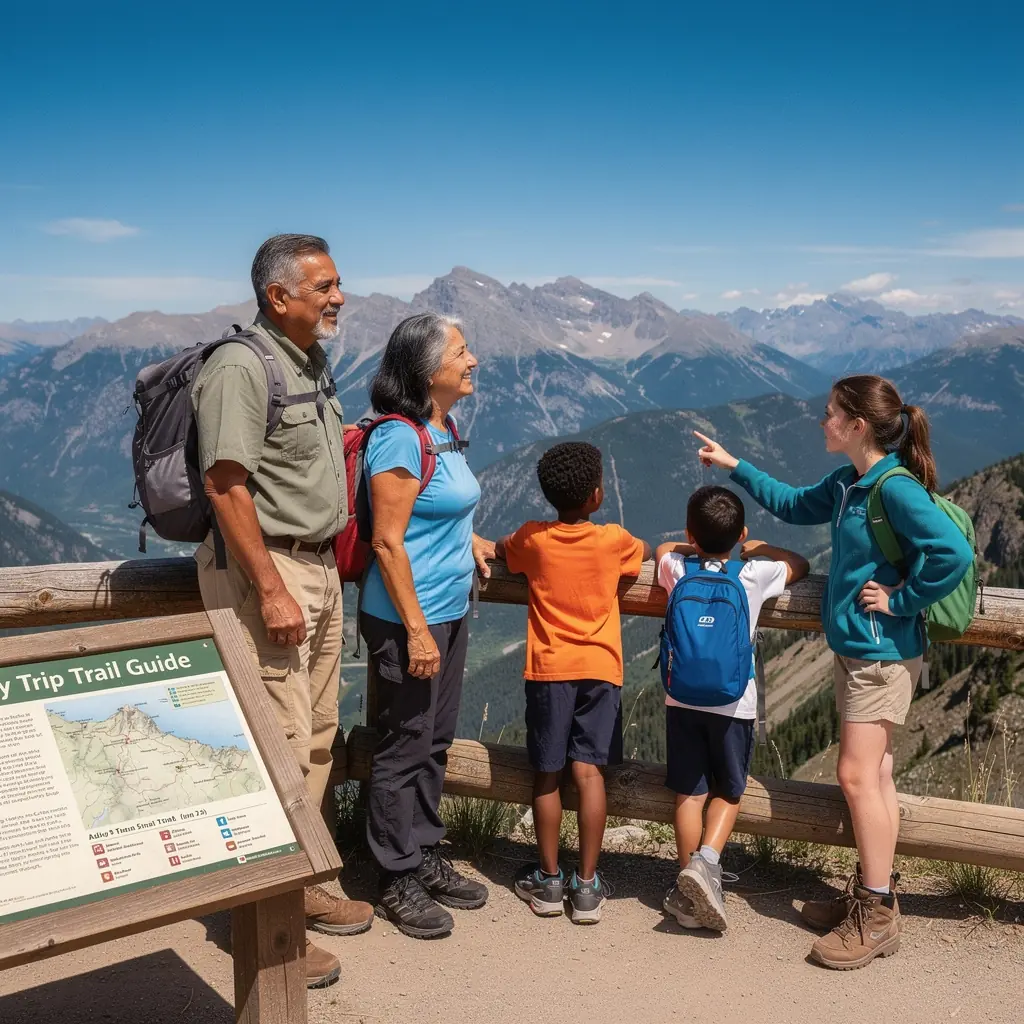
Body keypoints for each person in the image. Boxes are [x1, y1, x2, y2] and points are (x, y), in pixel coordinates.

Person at [695, 373, 973, 969]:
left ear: (857, 427)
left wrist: (901, 600)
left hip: (882, 653)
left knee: (854, 775)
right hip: (858, 648)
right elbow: (794, 503)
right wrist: (734, 464)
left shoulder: (893, 489)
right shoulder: (851, 482)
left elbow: (954, 552)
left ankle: (874, 914)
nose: (821, 422)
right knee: (878, 773)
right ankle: (876, 890)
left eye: (829, 414)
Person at [192, 234, 374, 988]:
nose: (338, 297)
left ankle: (296, 885)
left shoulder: (309, 361)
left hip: (316, 568)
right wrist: (267, 586)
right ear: (279, 297)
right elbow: (226, 484)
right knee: (280, 746)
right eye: (325, 286)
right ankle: (261, 925)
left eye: (337, 284)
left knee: (319, 738)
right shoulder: (241, 367)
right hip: (270, 571)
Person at [360, 312, 495, 939]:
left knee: (434, 740)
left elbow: (433, 513)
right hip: (406, 618)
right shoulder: (398, 437)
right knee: (403, 743)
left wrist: (471, 542)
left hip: (449, 608)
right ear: (426, 369)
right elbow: (388, 543)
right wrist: (415, 630)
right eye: (462, 352)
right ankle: (394, 874)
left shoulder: (444, 426)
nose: (473, 361)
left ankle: (421, 849)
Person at [496, 441, 650, 925]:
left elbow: (505, 550)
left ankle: (547, 880)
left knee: (546, 774)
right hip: (601, 670)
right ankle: (586, 885)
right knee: (589, 775)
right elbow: (639, 555)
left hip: (549, 671)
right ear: (596, 496)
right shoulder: (613, 541)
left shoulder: (534, 540)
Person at [657, 486, 808, 932]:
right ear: (739, 532)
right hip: (734, 704)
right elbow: (802, 564)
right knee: (729, 789)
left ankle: (687, 890)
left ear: (690, 532)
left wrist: (690, 545)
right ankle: (707, 866)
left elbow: (664, 548)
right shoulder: (753, 574)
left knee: (690, 791)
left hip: (680, 697)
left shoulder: (676, 566)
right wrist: (756, 547)